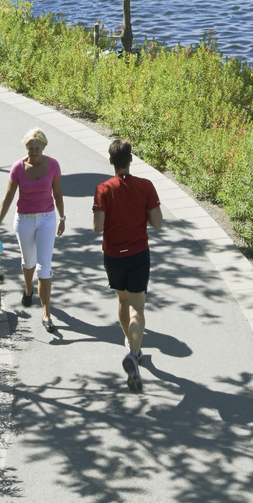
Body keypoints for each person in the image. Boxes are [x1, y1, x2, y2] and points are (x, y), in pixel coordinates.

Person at [92, 138, 165, 390]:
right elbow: (158, 223)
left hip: (113, 255)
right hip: (138, 254)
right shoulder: (146, 186)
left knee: (122, 301)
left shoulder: (103, 189)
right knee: (138, 309)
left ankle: (132, 345)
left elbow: (97, 227)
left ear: (111, 161)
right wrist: (142, 214)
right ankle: (134, 353)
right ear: (130, 159)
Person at [0, 129, 66, 329]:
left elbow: (57, 194)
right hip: (24, 220)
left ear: (44, 146)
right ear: (26, 148)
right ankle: (29, 288)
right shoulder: (18, 168)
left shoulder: (53, 165)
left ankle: (46, 314)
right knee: (28, 262)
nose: (34, 152)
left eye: (37, 148)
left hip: (47, 218)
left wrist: (62, 218)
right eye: (30, 148)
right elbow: (8, 197)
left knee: (44, 267)